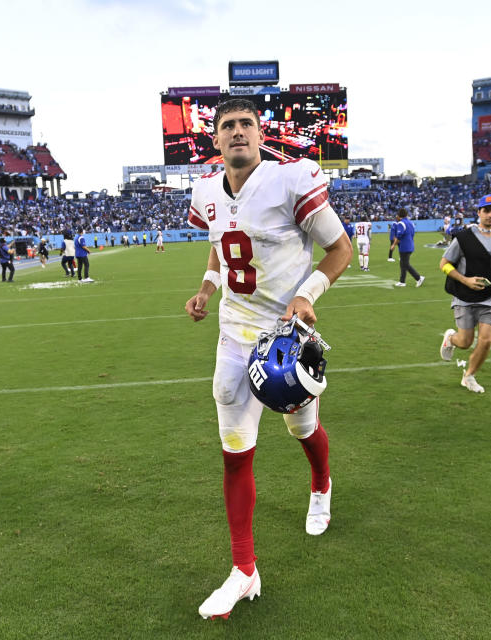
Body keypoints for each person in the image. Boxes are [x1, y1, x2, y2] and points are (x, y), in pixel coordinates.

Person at [184, 98, 351, 621]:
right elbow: (219, 244)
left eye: (246, 125)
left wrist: (309, 294)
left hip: (285, 338)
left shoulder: (290, 180)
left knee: (302, 431)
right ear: (215, 140)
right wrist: (207, 289)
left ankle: (321, 485)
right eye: (227, 126)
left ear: (260, 135)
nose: (237, 132)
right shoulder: (206, 190)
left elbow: (340, 248)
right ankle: (244, 571)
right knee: (235, 451)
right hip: (234, 337)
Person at [438, 194, 491, 394]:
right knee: (465, 342)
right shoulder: (463, 238)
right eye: (487, 211)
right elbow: (444, 264)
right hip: (465, 296)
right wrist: (465, 280)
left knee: (487, 340)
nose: (490, 215)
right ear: (479, 212)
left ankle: (469, 376)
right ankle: (451, 339)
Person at [391, 208, 423, 287]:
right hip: (410, 244)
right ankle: (402, 281)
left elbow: (399, 236)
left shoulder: (401, 223)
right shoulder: (411, 223)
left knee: (405, 264)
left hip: (405, 246)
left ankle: (418, 278)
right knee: (403, 263)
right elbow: (412, 233)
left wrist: (393, 245)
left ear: (399, 215)